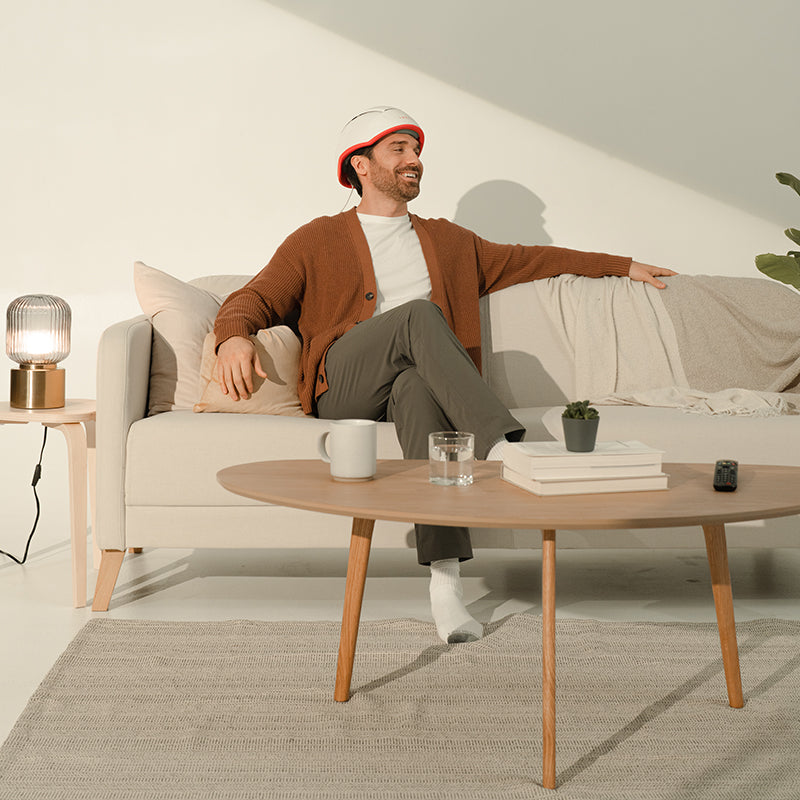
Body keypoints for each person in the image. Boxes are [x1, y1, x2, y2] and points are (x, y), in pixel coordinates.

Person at [213, 106, 677, 644]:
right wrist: (232, 337)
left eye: (416, 150)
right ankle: (504, 449)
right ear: (360, 165)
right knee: (418, 314)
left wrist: (620, 266)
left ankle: (446, 582)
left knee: (417, 392)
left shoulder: (451, 242)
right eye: (399, 150)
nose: (415, 160)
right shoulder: (319, 238)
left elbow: (535, 258)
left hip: (405, 385)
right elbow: (256, 296)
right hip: (344, 385)